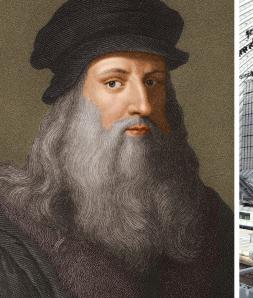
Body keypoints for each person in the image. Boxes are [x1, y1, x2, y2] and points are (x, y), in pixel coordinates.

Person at [0, 1, 231, 297]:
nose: (143, 105)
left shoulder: (210, 219)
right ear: (72, 107)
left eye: (152, 81)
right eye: (113, 82)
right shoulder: (15, 236)